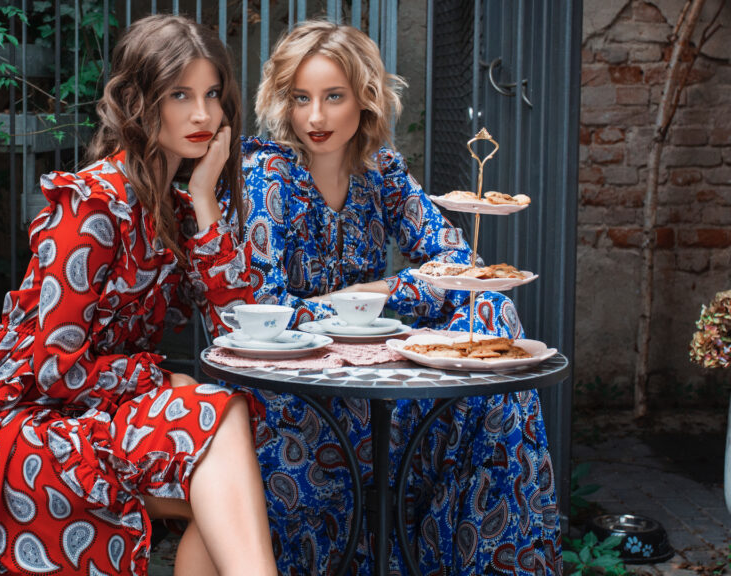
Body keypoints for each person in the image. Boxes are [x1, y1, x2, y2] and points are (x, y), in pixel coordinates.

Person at [0, 15, 278, 576]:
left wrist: (203, 200)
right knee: (221, 434)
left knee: (223, 482)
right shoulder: (93, 205)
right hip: (26, 420)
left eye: (213, 94)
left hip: (101, 409)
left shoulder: (175, 207)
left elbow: (237, 323)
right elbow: (54, 370)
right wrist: (159, 379)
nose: (203, 114)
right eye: (180, 94)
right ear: (138, 101)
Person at [238, 21, 559, 575]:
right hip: (299, 386)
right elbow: (265, 308)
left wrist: (380, 290)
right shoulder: (267, 174)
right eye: (300, 98)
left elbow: (458, 263)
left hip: (377, 374)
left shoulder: (380, 169)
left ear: (364, 98)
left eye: (333, 96)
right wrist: (350, 307)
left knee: (492, 309)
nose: (315, 117)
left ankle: (488, 554)